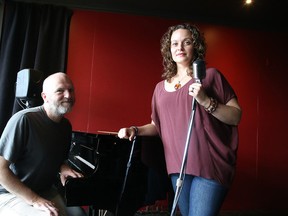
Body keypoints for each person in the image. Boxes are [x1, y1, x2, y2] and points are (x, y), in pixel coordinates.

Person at [118, 23, 242, 216]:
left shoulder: (210, 76)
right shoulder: (160, 88)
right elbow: (156, 126)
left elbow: (236, 116)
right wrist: (135, 129)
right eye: (174, 44)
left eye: (186, 42)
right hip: (178, 167)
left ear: (196, 46)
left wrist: (206, 101)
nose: (180, 48)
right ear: (169, 50)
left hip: (209, 164)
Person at [0, 72, 87, 216]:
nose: (68, 95)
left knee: (79, 214)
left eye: (71, 90)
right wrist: (34, 200)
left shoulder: (66, 126)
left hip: (44, 190)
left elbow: (57, 158)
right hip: (11, 193)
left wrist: (63, 168)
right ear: (44, 97)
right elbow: (1, 170)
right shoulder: (24, 120)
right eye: (60, 90)